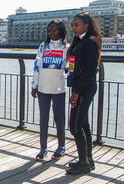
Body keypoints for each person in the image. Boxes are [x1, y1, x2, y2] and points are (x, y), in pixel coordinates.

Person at [66, 12, 102, 175]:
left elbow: (89, 72)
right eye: (73, 25)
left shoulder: (90, 42)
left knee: (75, 126)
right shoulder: (80, 42)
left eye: (77, 25)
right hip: (79, 87)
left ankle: (84, 163)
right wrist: (72, 86)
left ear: (86, 25)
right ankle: (88, 160)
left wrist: (77, 92)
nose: (74, 28)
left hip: (84, 88)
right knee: (83, 124)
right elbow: (73, 67)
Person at [31, 19, 69, 162]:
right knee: (43, 119)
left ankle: (61, 146)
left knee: (59, 119)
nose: (51, 33)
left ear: (61, 30)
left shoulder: (66, 47)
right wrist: (34, 85)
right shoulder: (43, 46)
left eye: (54, 30)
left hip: (58, 88)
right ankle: (43, 148)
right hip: (43, 88)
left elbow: (70, 66)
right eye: (49, 30)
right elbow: (37, 66)